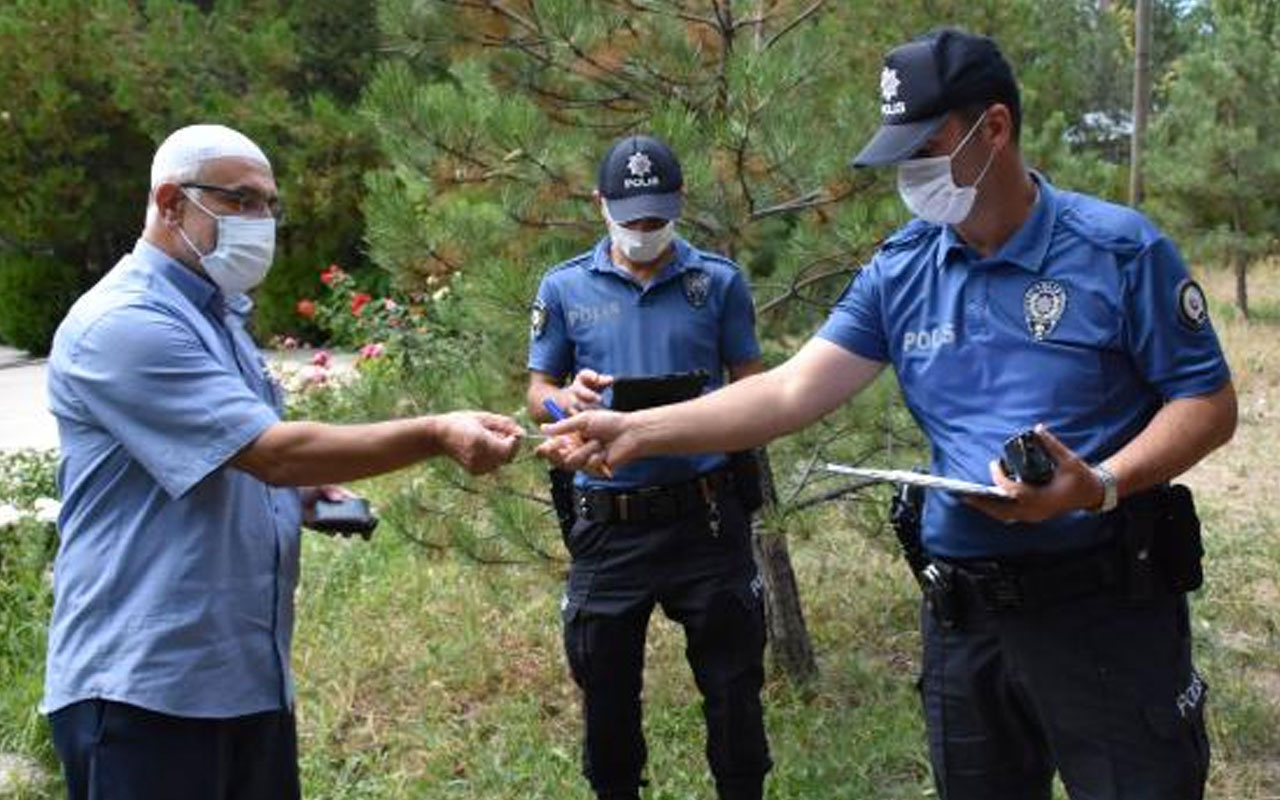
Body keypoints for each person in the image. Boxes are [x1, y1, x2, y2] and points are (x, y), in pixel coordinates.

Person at [541, 30, 1237, 800]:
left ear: (994, 128)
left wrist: (1098, 483)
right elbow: (785, 392)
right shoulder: (903, 270)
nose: (911, 172)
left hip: (1107, 613)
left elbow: (1207, 403)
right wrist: (634, 431)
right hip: (964, 621)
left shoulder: (1119, 252)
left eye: (927, 146)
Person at [42, 124, 523, 800]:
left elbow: (231, 460)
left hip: (243, 680)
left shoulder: (218, 319)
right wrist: (438, 431)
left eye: (269, 203)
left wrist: (295, 498)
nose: (260, 220)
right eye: (239, 201)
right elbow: (272, 452)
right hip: (145, 692)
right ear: (171, 202)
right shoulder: (122, 323)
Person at [528, 134, 771, 800]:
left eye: (657, 217)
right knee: (605, 695)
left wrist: (703, 411)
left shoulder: (716, 282)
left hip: (707, 515)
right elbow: (537, 389)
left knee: (734, 694)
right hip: (609, 520)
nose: (644, 231)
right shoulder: (565, 286)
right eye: (631, 218)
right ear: (602, 205)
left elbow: (755, 386)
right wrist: (563, 402)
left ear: (679, 205)